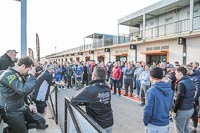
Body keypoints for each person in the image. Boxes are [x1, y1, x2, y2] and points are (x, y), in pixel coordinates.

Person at [71, 67, 113, 133]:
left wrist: (84, 102)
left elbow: (73, 100)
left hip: (96, 125)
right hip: (109, 123)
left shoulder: (90, 89)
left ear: (94, 76)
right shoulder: (107, 87)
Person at [0, 56, 36, 133]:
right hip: (11, 110)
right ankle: (11, 129)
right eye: (28, 70)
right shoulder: (8, 75)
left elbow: (24, 91)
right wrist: (32, 77)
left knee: (40, 120)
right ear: (23, 66)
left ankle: (12, 129)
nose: (28, 72)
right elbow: (23, 91)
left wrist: (29, 103)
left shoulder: (19, 74)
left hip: (20, 106)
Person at [143, 67, 173, 133]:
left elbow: (148, 109)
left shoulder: (151, 91)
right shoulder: (169, 89)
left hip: (154, 124)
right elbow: (170, 106)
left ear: (151, 77)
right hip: (165, 123)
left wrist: (145, 121)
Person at [173, 67, 195, 133]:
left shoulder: (181, 84)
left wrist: (174, 111)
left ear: (180, 73)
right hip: (190, 108)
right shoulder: (190, 80)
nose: (175, 75)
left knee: (180, 130)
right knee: (186, 128)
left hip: (182, 110)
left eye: (176, 73)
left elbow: (178, 98)